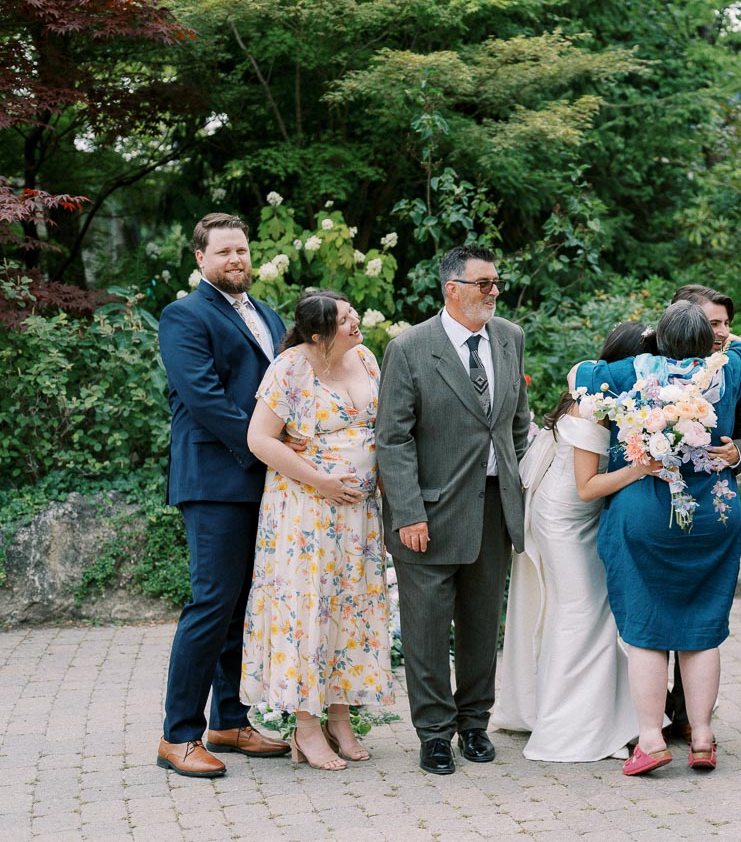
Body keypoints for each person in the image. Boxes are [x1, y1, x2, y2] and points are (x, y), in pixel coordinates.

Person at [574, 301, 741, 775]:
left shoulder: (632, 373)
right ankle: (703, 738)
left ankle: (652, 741)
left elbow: (581, 375)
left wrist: (647, 351)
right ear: (708, 341)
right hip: (713, 514)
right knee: (702, 629)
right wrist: (717, 345)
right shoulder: (728, 369)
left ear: (659, 339)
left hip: (647, 513)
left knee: (646, 632)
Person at [374, 245, 531, 776]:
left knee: (482, 627)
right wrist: (408, 512)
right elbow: (393, 438)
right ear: (452, 289)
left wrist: (515, 481)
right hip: (430, 515)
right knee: (425, 630)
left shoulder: (509, 337)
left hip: (493, 508)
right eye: (484, 283)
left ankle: (474, 725)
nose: (494, 291)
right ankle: (435, 734)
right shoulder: (409, 348)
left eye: (496, 282)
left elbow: (516, 422)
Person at [156, 213, 291, 778]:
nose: (236, 259)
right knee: (211, 603)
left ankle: (230, 721)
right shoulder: (184, 316)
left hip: (263, 480)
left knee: (243, 606)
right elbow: (204, 398)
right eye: (224, 252)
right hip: (215, 478)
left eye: (242, 250)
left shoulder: (268, 314)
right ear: (200, 259)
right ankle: (178, 736)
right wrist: (268, 448)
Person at [239, 290, 395, 770]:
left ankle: (341, 719)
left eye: (353, 313)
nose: (355, 322)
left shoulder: (365, 359)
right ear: (317, 334)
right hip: (304, 515)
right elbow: (259, 439)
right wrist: (322, 481)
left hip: (358, 517)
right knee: (310, 609)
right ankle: (306, 727)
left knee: (349, 608)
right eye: (345, 319)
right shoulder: (290, 368)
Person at [494, 322, 659, 761]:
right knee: (580, 612)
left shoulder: (599, 386)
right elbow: (587, 488)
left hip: (576, 515)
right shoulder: (592, 404)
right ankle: (568, 728)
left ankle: (605, 717)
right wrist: (641, 468)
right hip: (564, 518)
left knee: (593, 612)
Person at [663, 283, 741, 740]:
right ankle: (647, 712)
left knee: (699, 612)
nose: (723, 332)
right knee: (656, 611)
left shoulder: (736, 367)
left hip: (712, 505)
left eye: (727, 323)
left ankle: (688, 714)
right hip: (655, 502)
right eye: (713, 324)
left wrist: (737, 452)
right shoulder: (651, 365)